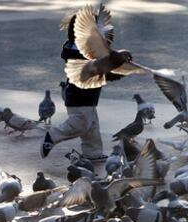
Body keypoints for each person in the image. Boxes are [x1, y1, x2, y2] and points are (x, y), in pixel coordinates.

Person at [40, 14, 125, 161]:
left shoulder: (84, 49)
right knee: (81, 124)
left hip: (89, 97)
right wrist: (118, 67)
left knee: (91, 126)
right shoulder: (80, 54)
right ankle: (53, 135)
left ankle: (93, 153)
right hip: (79, 97)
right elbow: (99, 67)